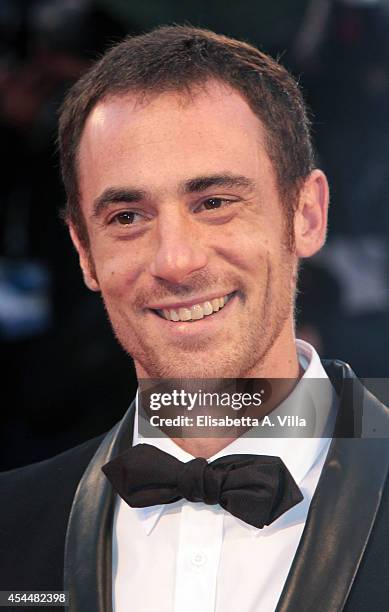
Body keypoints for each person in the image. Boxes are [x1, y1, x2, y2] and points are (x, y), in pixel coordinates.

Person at [1, 25, 388, 612]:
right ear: (85, 252)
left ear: (306, 214)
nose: (175, 261)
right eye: (128, 217)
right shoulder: (11, 525)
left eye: (214, 203)